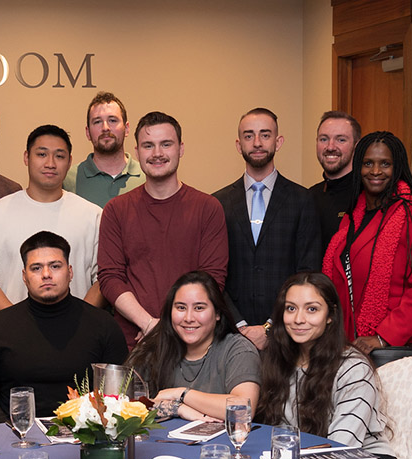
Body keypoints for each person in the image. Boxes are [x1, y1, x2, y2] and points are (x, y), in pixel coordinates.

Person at [98, 111, 228, 348]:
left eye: (166, 144)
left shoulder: (208, 208)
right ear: (137, 152)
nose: (157, 153)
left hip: (193, 344)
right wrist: (148, 324)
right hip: (134, 343)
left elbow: (213, 279)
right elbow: (110, 278)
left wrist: (170, 326)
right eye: (148, 146)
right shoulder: (116, 210)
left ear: (181, 148)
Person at [256, 272, 404, 459]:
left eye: (312, 309)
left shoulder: (354, 368)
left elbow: (342, 446)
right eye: (291, 308)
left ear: (330, 316)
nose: (299, 319)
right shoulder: (276, 360)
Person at [0, 231, 127, 424]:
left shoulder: (103, 325)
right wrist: (9, 435)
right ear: (24, 276)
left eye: (55, 266)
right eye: (36, 268)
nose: (46, 274)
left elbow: (118, 396)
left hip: (88, 436)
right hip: (18, 437)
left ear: (70, 272)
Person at [322, 131, 412, 354]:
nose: (376, 171)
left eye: (385, 164)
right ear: (358, 167)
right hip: (348, 347)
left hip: (395, 347)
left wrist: (383, 337)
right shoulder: (350, 220)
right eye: (368, 163)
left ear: (397, 168)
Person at [214, 108, 321, 350]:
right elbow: (214, 274)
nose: (257, 143)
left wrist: (270, 327)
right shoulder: (217, 203)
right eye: (249, 136)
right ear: (238, 144)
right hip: (231, 335)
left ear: (278, 141)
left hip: (288, 334)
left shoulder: (302, 200)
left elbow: (308, 271)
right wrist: (238, 325)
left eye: (265, 134)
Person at [0, 125, 103, 312]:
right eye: (42, 154)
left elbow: (102, 279)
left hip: (77, 333)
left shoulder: (92, 215)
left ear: (69, 162)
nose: (50, 163)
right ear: (26, 157)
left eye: (59, 156)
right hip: (13, 332)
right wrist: (16, 324)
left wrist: (80, 322)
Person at [126, 271, 260, 421]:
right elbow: (122, 406)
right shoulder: (155, 346)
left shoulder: (238, 349)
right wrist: (178, 408)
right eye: (181, 308)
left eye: (199, 308)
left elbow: (242, 411)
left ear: (217, 314)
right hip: (162, 442)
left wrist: (181, 394)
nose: (189, 318)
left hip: (221, 444)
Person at [63, 91, 144, 208]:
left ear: (126, 129)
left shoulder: (146, 176)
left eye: (112, 120)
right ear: (87, 132)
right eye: (97, 122)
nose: (105, 128)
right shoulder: (68, 179)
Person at [308, 111, 362, 251]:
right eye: (324, 139)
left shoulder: (366, 196)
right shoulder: (308, 197)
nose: (330, 147)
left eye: (341, 140)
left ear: (357, 146)